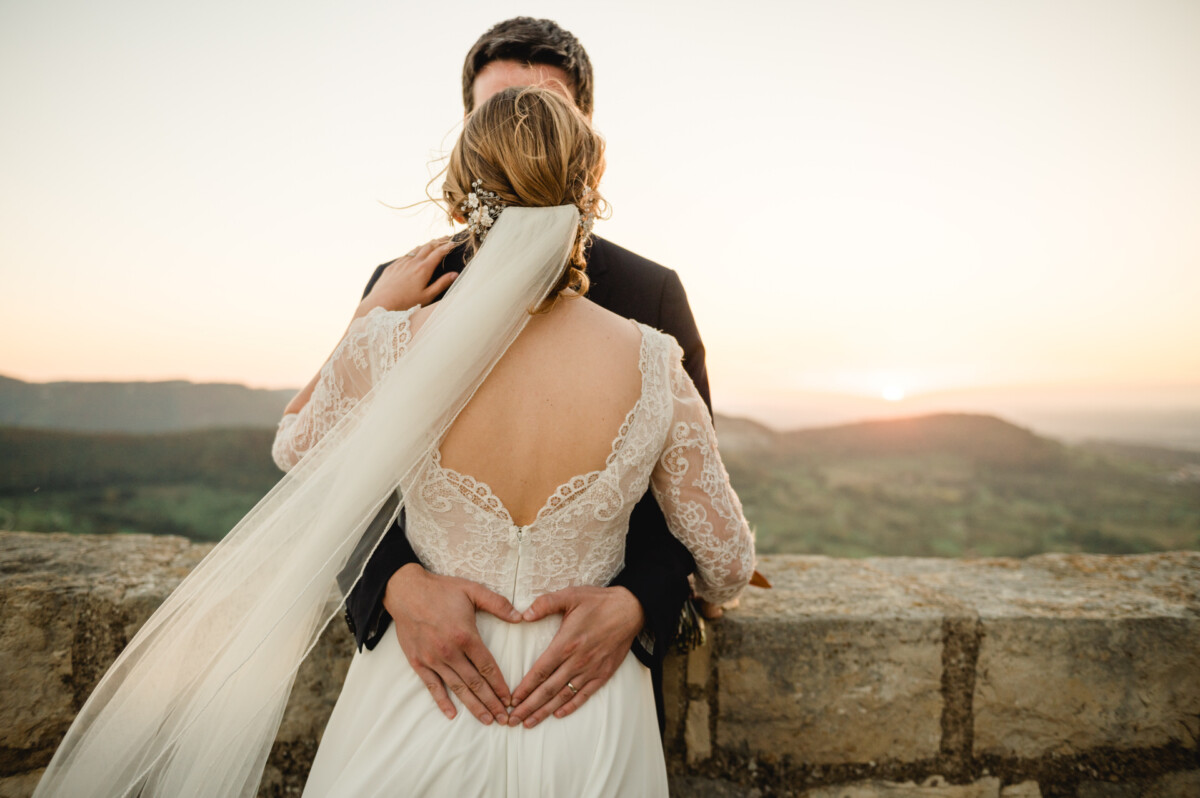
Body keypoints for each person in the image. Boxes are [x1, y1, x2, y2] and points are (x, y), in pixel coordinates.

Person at [271, 86, 755, 796]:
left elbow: (296, 448)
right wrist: (658, 598)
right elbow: (729, 563)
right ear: (588, 197)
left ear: (463, 202)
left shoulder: (392, 343)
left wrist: (372, 311)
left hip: (422, 699)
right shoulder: (654, 361)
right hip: (585, 713)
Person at [340, 17, 710, 734]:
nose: (521, 122)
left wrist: (638, 603)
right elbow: (341, 471)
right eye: (497, 107)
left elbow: (689, 496)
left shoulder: (650, 292)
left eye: (546, 104)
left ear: (586, 135)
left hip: (587, 687)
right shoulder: (406, 282)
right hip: (421, 681)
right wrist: (394, 584)